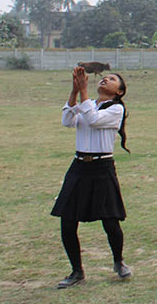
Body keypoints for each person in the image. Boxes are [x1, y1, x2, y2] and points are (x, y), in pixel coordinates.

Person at [51, 66, 131, 288]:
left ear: (120, 91)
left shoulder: (115, 109)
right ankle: (77, 271)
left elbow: (93, 119)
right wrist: (75, 91)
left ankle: (119, 261)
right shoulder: (89, 104)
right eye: (104, 77)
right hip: (78, 167)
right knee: (67, 221)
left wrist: (84, 92)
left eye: (112, 79)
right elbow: (67, 121)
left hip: (102, 168)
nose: (106, 79)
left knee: (110, 220)